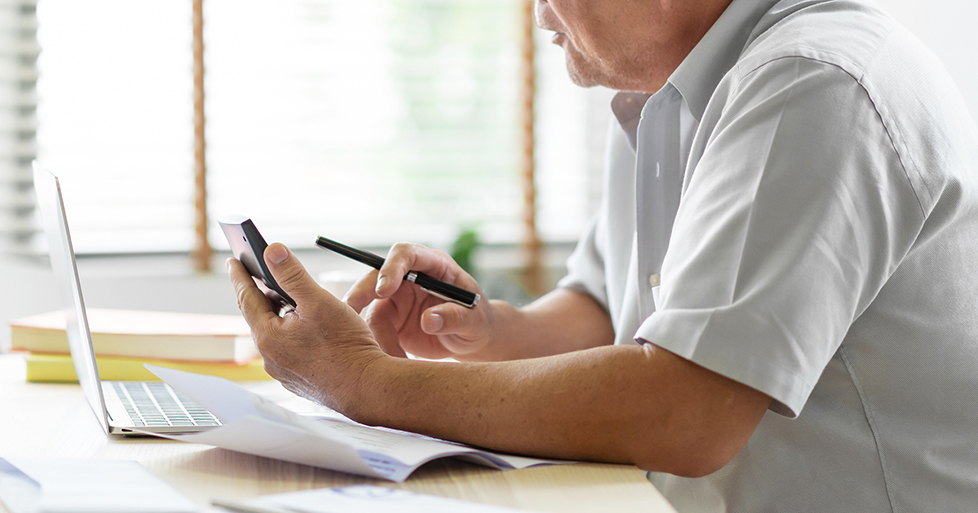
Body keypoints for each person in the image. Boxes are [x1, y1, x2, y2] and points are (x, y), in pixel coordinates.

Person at [228, 0, 978, 509]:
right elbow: (603, 312)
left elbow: (690, 409)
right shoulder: (667, 93)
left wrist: (361, 381)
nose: (537, 9)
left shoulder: (814, 85)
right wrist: (485, 329)